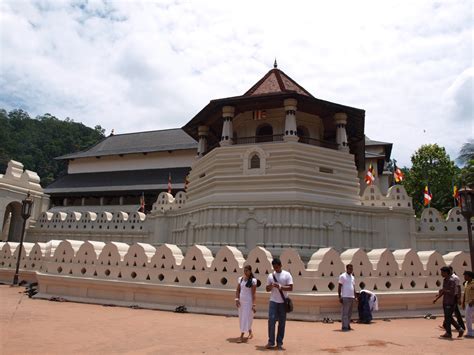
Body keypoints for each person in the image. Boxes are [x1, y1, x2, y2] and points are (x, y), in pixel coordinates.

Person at [265, 258, 293, 350]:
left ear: (281, 265)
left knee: (282, 323)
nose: (275, 269)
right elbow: (267, 289)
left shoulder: (286, 275)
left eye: (277, 267)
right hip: (273, 301)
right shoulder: (270, 276)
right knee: (271, 321)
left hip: (282, 302)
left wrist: (281, 287)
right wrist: (271, 286)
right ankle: (271, 341)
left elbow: (290, 287)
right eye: (274, 267)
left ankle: (279, 342)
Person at [433, 266, 464, 338]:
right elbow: (443, 291)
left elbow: (452, 292)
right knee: (448, 317)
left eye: (442, 272)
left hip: (451, 301)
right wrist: (437, 298)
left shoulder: (452, 281)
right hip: (445, 301)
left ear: (446, 272)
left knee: (448, 317)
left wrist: (445, 290)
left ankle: (450, 332)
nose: (441, 274)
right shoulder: (445, 280)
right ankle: (459, 329)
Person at [235, 264, 257, 343]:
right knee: (242, 318)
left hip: (248, 302)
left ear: (250, 271)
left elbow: (253, 294)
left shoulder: (253, 281)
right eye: (244, 270)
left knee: (245, 318)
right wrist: (237, 299)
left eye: (247, 270)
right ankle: (250, 332)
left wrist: (254, 305)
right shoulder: (240, 279)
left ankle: (241, 336)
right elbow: (238, 290)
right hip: (241, 302)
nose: (245, 272)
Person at [338, 264, 356, 331]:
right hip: (345, 296)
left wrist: (355, 296)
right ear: (346, 269)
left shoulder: (352, 277)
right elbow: (339, 286)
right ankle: (344, 326)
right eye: (349, 268)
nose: (351, 270)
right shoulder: (342, 276)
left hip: (351, 296)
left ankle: (347, 325)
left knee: (349, 313)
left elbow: (353, 287)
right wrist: (339, 296)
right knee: (345, 313)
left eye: (352, 269)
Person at [449, 266, 466, 332]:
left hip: (454, 296)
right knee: (452, 311)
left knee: (455, 312)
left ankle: (461, 326)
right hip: (450, 296)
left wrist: (459, 298)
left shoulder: (455, 278)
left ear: (450, 270)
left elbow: (458, 288)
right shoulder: (449, 277)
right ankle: (445, 325)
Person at [462, 270, 474, 338]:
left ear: (470, 276)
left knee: (468, 318)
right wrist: (463, 302)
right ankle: (470, 332)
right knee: (468, 318)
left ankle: (470, 332)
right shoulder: (466, 283)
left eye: (465, 275)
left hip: (472, 303)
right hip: (468, 303)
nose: (464, 277)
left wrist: (473, 301)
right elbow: (465, 293)